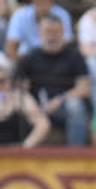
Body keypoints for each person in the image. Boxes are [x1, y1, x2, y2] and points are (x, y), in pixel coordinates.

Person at [15, 12, 88, 144]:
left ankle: (75, 153)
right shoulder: (30, 57)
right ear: (39, 32)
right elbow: (20, 88)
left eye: (56, 32)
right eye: (47, 31)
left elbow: (84, 88)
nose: (51, 36)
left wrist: (60, 100)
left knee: (75, 106)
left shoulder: (74, 56)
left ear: (63, 32)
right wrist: (32, 105)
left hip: (62, 106)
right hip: (35, 107)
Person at [0, 56, 50, 145]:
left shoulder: (21, 97)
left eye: (2, 81)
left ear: (10, 81)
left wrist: (24, 147)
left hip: (14, 150)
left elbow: (42, 125)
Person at [4, 0, 72, 60]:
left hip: (56, 58)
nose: (42, 3)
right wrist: (26, 63)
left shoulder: (62, 14)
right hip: (26, 58)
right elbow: (10, 47)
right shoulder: (20, 15)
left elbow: (66, 43)